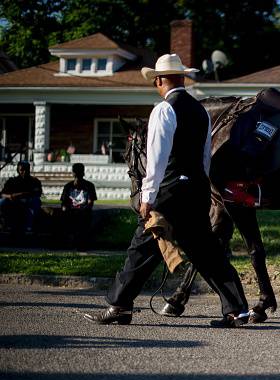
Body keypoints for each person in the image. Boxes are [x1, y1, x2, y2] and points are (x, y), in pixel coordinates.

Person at [84, 53, 249, 327]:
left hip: (170, 191)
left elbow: (157, 159)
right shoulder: (200, 112)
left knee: (141, 248)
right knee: (206, 252)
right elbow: (205, 158)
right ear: (181, 78)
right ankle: (236, 309)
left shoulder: (163, 109)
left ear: (160, 80)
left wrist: (148, 198)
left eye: (156, 80)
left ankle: (119, 306)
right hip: (196, 189)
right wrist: (200, 187)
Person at [60, 163, 97, 249]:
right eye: (76, 174)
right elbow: (64, 202)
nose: (77, 177)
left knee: (83, 219)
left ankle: (80, 244)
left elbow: (90, 202)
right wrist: (65, 209)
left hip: (83, 212)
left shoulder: (89, 186)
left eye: (79, 174)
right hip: (71, 212)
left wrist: (83, 209)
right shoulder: (68, 186)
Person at [0, 161, 42, 233]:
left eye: (26, 169)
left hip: (28, 201)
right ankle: (5, 225)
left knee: (36, 201)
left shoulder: (34, 181)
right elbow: (2, 194)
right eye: (22, 170)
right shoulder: (12, 181)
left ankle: (29, 227)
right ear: (18, 170)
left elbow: (37, 193)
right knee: (2, 202)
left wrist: (21, 194)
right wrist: (10, 196)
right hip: (14, 201)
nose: (24, 172)